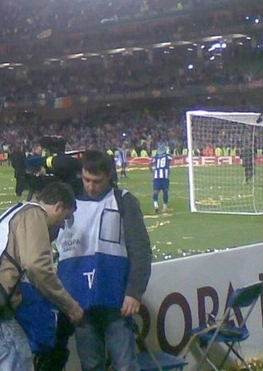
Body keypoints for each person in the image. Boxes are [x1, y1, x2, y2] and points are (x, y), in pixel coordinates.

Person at [55, 149, 152, 371]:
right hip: (78, 301)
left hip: (115, 299)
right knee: (91, 366)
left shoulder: (124, 201)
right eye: (86, 179)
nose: (90, 186)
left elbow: (141, 250)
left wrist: (134, 292)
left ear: (109, 176)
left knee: (125, 365)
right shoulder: (68, 203)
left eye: (96, 181)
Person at [0, 181, 84, 371]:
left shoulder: (16, 212)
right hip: (0, 312)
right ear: (58, 207)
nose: (62, 226)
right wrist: (70, 305)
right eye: (65, 218)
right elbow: (37, 267)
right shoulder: (34, 215)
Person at [151, 145, 173, 213]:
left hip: (157, 177)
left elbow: (150, 164)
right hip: (165, 177)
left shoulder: (156, 157)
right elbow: (174, 158)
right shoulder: (167, 156)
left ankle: (156, 205)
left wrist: (152, 173)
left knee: (156, 191)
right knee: (165, 191)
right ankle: (164, 207)